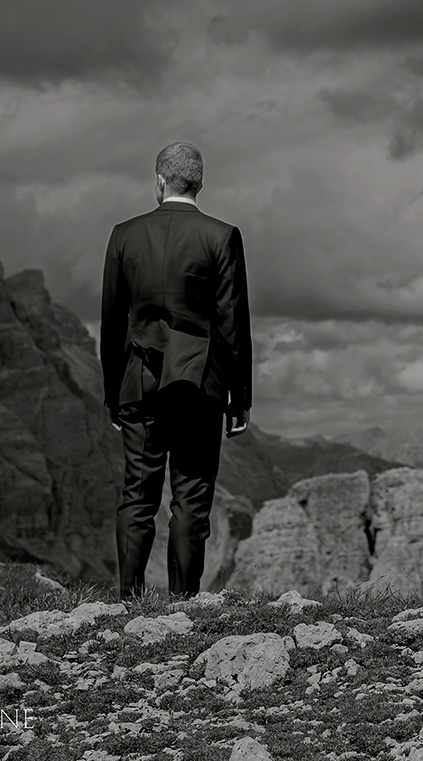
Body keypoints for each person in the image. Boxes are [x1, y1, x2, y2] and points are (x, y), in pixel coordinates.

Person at [101, 142, 251, 599]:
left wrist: (113, 392)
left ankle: (128, 601)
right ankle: (183, 604)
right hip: (198, 385)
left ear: (160, 181)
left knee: (137, 496)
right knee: (191, 499)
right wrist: (238, 397)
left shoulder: (124, 235)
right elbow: (232, 324)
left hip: (137, 383)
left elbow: (112, 322)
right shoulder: (221, 236)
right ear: (198, 182)